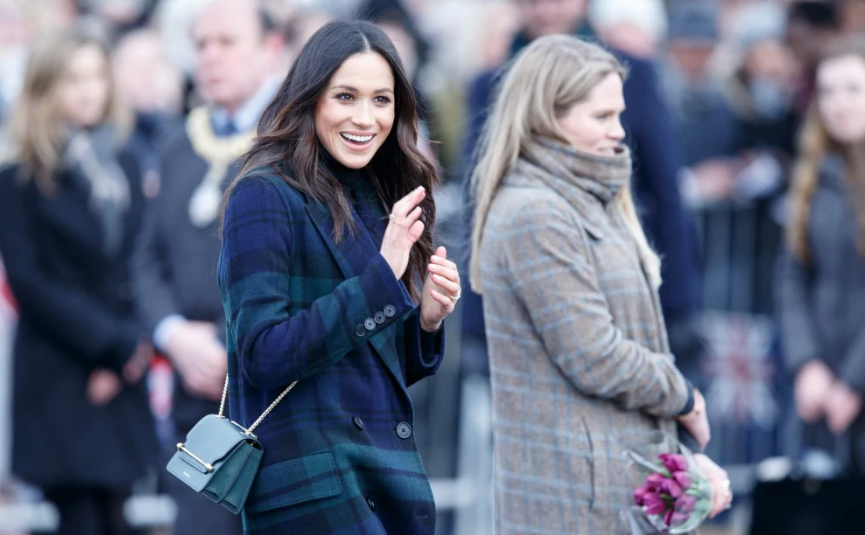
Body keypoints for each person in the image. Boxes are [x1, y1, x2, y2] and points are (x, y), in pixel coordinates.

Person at [469, 35, 731, 534]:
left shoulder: (587, 192)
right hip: (568, 497)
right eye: (601, 117)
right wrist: (684, 396)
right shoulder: (535, 212)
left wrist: (677, 464)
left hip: (611, 481)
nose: (618, 132)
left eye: (619, 115)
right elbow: (595, 355)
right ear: (548, 114)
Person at [218, 19, 458, 534]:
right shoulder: (261, 193)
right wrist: (382, 278)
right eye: (345, 96)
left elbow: (366, 365)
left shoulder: (377, 192)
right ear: (311, 98)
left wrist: (427, 324)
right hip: (311, 493)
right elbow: (263, 354)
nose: (365, 118)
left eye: (381, 100)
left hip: (386, 483)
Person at [130, 0, 283, 533]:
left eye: (227, 42)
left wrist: (224, 343)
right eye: (201, 44)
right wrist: (174, 336)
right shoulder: (178, 144)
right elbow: (146, 258)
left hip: (272, 394)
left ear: (271, 49)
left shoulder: (296, 145)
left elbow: (301, 269)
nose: (210, 57)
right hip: (195, 403)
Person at [0, 27, 157, 535]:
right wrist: (111, 344)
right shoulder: (19, 177)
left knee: (121, 514)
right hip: (62, 375)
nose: (90, 90)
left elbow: (142, 260)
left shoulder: (130, 163)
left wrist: (130, 347)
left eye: (96, 76)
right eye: (73, 79)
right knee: (79, 521)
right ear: (46, 90)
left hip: (124, 370)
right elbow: (31, 283)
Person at [779, 36, 865, 473]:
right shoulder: (813, 174)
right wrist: (807, 363)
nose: (839, 103)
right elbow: (791, 278)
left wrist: (854, 382)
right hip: (819, 387)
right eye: (828, 91)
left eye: (853, 89)